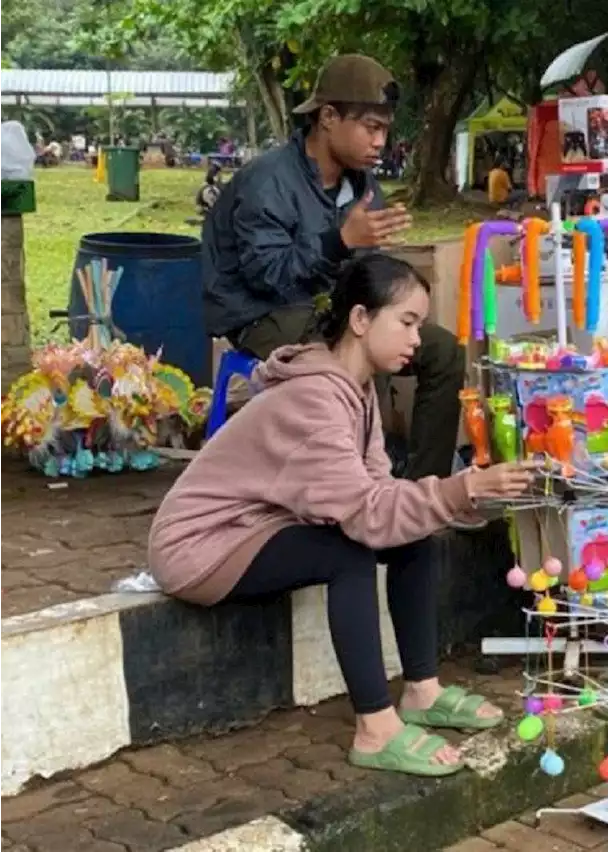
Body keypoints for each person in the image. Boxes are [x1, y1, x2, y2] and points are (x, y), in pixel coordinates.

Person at [150, 254, 539, 776]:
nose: (418, 340)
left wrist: (448, 498)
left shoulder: (354, 389)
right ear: (360, 320)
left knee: (412, 534)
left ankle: (421, 690)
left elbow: (378, 489)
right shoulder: (313, 400)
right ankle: (375, 730)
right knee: (349, 554)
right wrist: (460, 487)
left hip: (260, 525)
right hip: (204, 546)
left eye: (418, 324)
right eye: (406, 322)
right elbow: (365, 516)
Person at [202, 54, 473, 503]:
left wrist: (395, 292)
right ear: (328, 117)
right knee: (366, 345)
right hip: (262, 313)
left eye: (385, 130)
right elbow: (268, 277)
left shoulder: (363, 186)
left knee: (442, 352)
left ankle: (420, 492)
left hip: (332, 307)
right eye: (370, 127)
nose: (380, 141)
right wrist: (339, 241)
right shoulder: (266, 181)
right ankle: (361, 488)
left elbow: (366, 275)